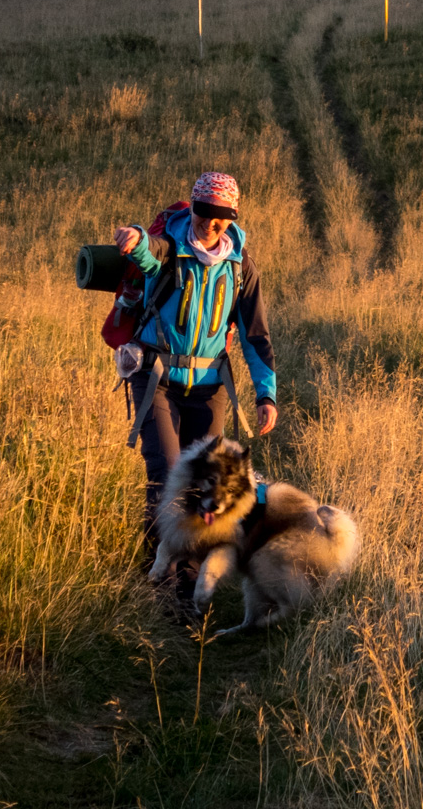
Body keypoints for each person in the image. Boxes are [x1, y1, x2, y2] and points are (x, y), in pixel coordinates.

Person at [114, 170, 279, 557]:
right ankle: (161, 580)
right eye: (203, 210)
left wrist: (265, 395)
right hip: (157, 380)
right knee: (168, 478)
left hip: (209, 388)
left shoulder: (241, 267)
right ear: (193, 209)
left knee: (206, 485)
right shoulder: (170, 247)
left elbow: (256, 336)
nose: (210, 221)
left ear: (232, 218)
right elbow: (148, 251)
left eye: (221, 215)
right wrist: (136, 238)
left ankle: (190, 577)